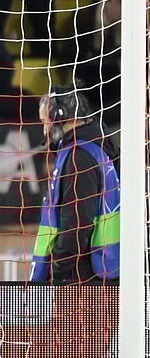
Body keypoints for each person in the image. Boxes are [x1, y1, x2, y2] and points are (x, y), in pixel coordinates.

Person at [30, 87, 120, 284]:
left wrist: (59, 271)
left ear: (60, 117)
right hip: (99, 272)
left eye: (46, 122)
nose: (45, 130)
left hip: (85, 277)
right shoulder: (94, 149)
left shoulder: (79, 157)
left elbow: (76, 223)